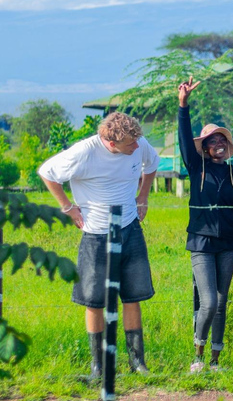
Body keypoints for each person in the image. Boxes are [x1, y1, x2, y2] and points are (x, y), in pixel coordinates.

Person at [38, 112, 159, 380]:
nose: (137, 147)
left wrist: (143, 195)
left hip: (129, 228)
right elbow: (47, 172)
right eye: (130, 144)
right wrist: (67, 207)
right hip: (95, 233)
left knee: (133, 296)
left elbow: (151, 164)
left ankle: (138, 363)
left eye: (137, 141)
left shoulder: (139, 143)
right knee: (93, 301)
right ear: (111, 143)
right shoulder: (84, 152)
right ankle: (98, 369)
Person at [177, 77, 233, 373]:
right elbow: (184, 138)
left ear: (227, 146)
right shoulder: (197, 168)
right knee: (208, 301)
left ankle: (216, 361)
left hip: (230, 246)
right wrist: (183, 105)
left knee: (222, 303)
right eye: (211, 141)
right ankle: (198, 356)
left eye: (222, 140)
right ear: (204, 148)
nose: (217, 144)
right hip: (202, 244)